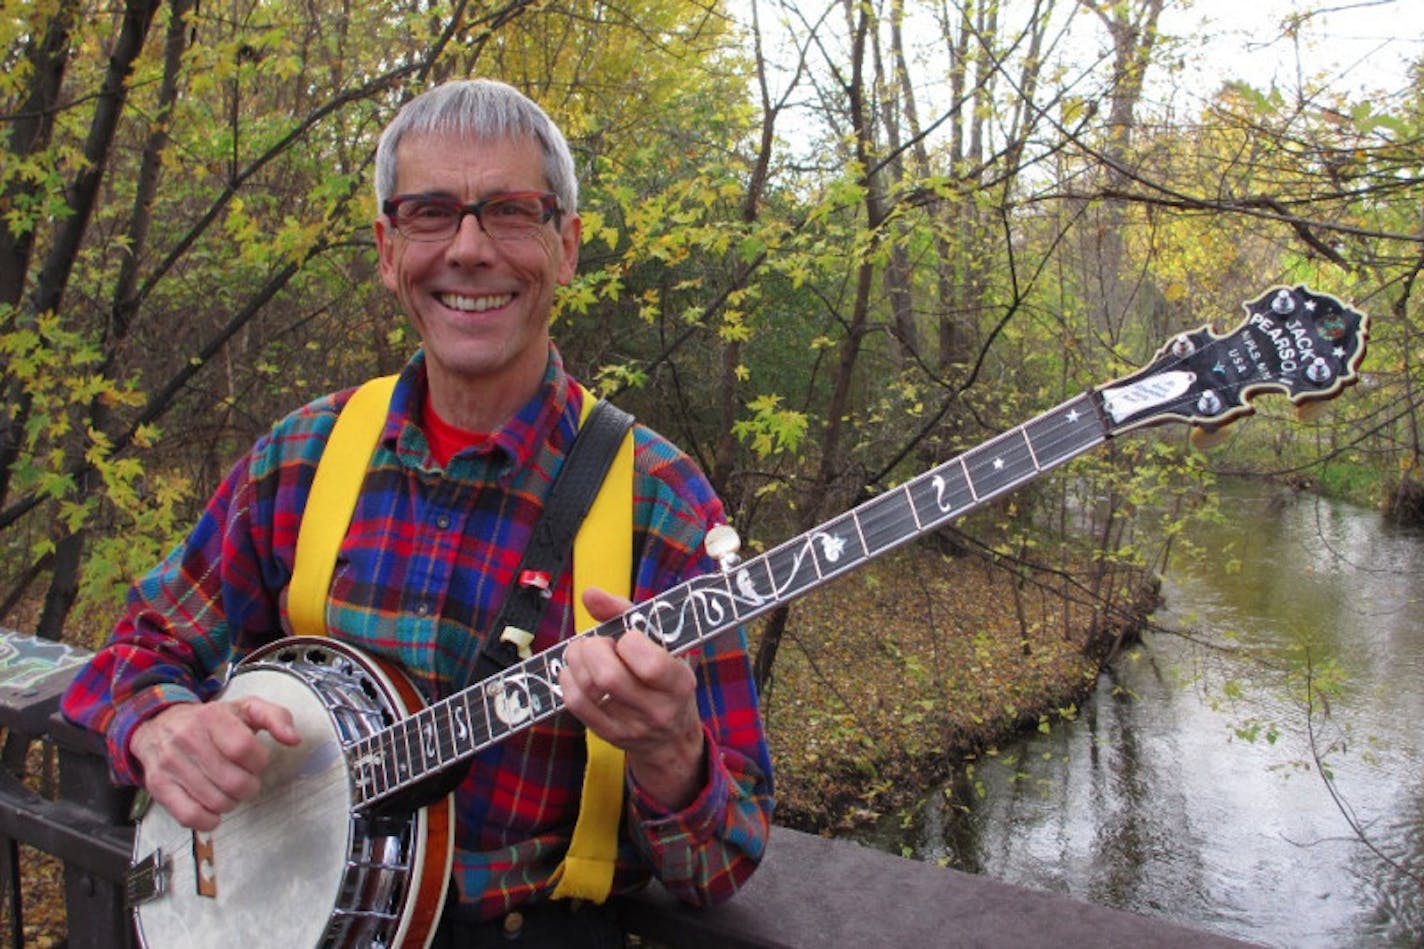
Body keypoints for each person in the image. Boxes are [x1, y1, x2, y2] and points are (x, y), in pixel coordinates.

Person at [61, 78, 773, 946]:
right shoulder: (303, 457)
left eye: (510, 211)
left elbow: (723, 864)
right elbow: (134, 651)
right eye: (431, 212)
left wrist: (670, 751)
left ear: (568, 247)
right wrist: (165, 726)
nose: (469, 249)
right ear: (388, 248)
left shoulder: (660, 503)